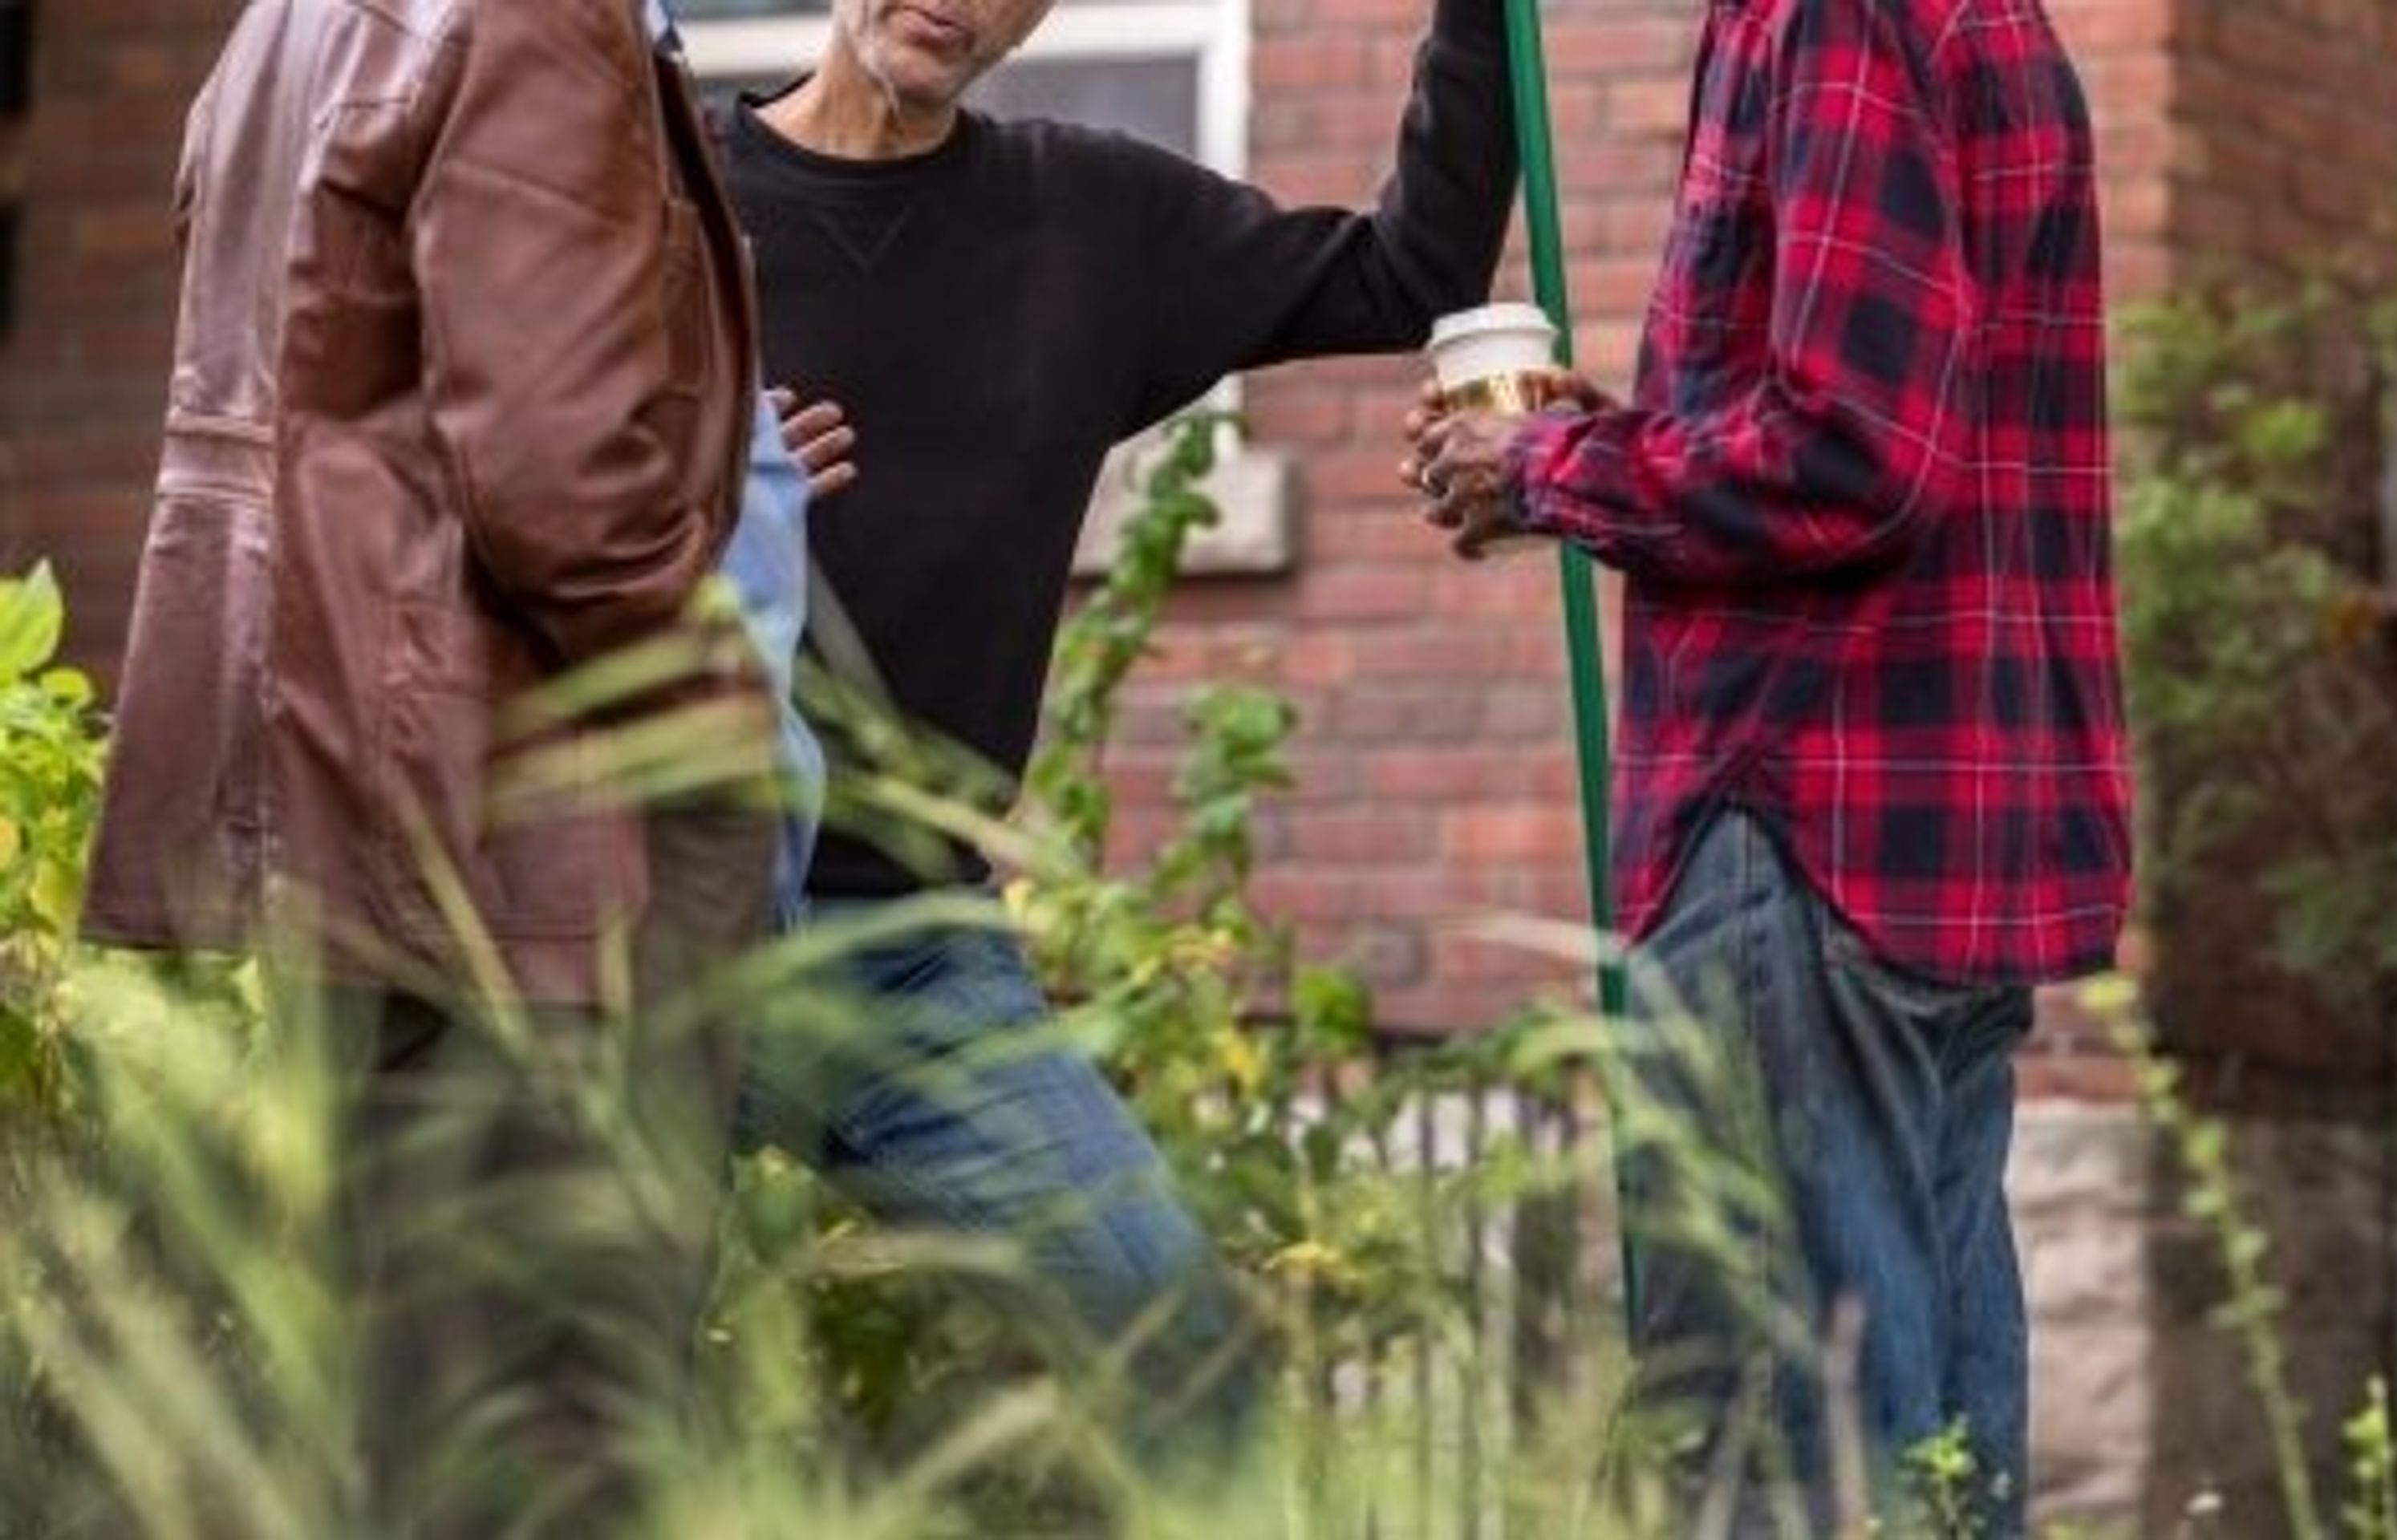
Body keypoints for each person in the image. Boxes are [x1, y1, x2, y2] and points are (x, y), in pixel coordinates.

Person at [708, 0, 1519, 1406]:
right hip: (651, 915)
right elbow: (473, 472)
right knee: (554, 1400)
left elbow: (1409, 274)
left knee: (1181, 1363)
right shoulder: (668, 210)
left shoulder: (1089, 221)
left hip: (907, 948)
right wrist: (698, 490)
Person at [1405, 0, 2129, 1530]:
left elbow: (1854, 452)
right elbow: (1889, 414)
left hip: (1800, 818)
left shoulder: (1836, 13)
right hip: (1936, 832)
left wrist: (1546, 468)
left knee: (1771, 1455)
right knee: (1929, 1453)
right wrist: (1629, 441)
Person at [79, 0, 778, 1528]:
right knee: (550, 1435)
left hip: (349, 798)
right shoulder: (540, 16)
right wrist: (727, 714)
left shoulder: (289, 16)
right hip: (520, 829)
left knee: (400, 1413)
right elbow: (555, 476)